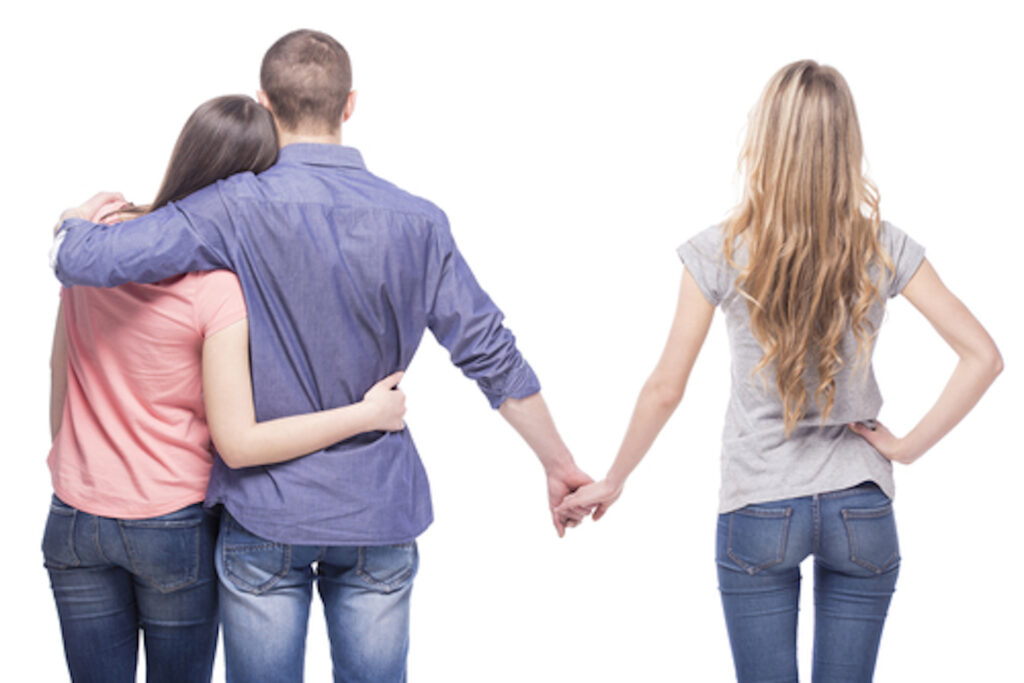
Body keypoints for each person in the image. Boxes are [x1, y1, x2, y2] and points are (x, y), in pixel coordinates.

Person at [50, 29, 591, 682]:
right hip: (376, 508)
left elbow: (90, 261)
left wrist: (75, 220)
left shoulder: (228, 208)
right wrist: (558, 464)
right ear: (350, 104)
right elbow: (489, 353)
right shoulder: (418, 221)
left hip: (265, 511)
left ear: (264, 102)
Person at [557, 60, 1002, 681]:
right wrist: (903, 449)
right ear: (847, 142)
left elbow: (665, 388)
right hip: (860, 508)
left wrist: (616, 477)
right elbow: (983, 355)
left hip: (757, 507)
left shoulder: (719, 250)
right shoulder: (882, 245)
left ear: (764, 138)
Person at [44, 94, 408, 683]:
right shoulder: (217, 288)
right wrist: (366, 414)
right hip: (172, 521)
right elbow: (238, 442)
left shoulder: (94, 246)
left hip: (73, 515)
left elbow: (60, 376)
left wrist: (71, 218)